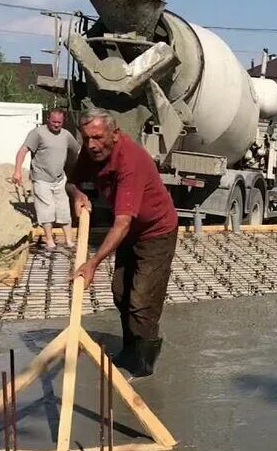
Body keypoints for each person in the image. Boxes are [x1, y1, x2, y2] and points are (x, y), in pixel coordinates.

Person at [67, 108, 178, 378]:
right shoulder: (91, 151)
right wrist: (76, 192)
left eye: (97, 137)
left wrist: (92, 262)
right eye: (86, 138)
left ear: (114, 134)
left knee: (142, 301)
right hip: (130, 231)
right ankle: (130, 349)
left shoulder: (130, 160)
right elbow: (71, 181)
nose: (91, 145)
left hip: (156, 231)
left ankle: (144, 363)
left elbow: (122, 223)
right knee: (120, 292)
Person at [13, 108, 79, 251]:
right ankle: (50, 241)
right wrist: (17, 171)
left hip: (59, 179)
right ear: (47, 119)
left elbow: (76, 151)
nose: (56, 125)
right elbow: (23, 151)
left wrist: (73, 167)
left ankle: (69, 241)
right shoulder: (38, 133)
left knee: (63, 209)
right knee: (47, 210)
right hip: (41, 178)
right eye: (54, 122)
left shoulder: (66, 135)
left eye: (59, 122)